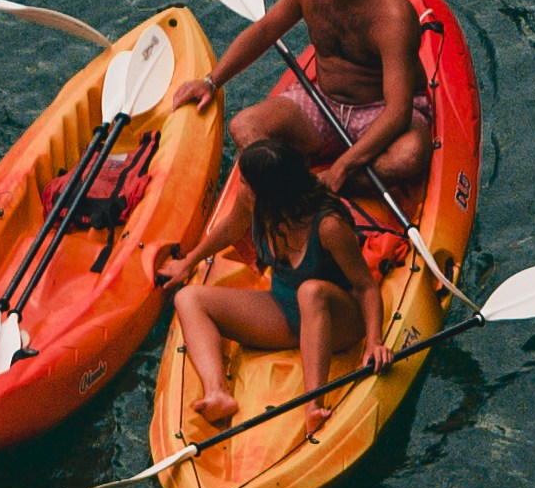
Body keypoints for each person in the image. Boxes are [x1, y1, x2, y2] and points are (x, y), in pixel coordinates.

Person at [153, 132, 373, 453]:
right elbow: (231, 229)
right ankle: (218, 393)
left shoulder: (328, 226)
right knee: (188, 298)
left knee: (310, 292)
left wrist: (375, 341)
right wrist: (188, 262)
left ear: (269, 192)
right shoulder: (251, 201)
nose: (241, 186)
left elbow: (366, 286)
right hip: (285, 315)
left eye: (247, 182)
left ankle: (314, 406)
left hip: (339, 322)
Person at [207, 0, 430, 209]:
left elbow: (398, 112)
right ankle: (291, 193)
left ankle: (318, 185)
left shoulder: (392, 18)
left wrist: (342, 168)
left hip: (378, 111)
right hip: (323, 102)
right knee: (244, 125)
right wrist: (211, 81)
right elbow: (265, 30)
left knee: (410, 156)